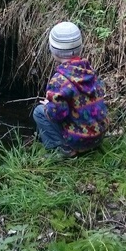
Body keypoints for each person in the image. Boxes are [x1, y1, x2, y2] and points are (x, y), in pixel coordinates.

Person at [32, 22, 108, 159]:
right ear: (80, 47)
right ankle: (90, 143)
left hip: (79, 140)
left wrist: (48, 106)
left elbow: (57, 115)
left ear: (53, 50)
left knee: (39, 112)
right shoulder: (89, 71)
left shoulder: (59, 81)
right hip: (98, 135)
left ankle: (63, 149)